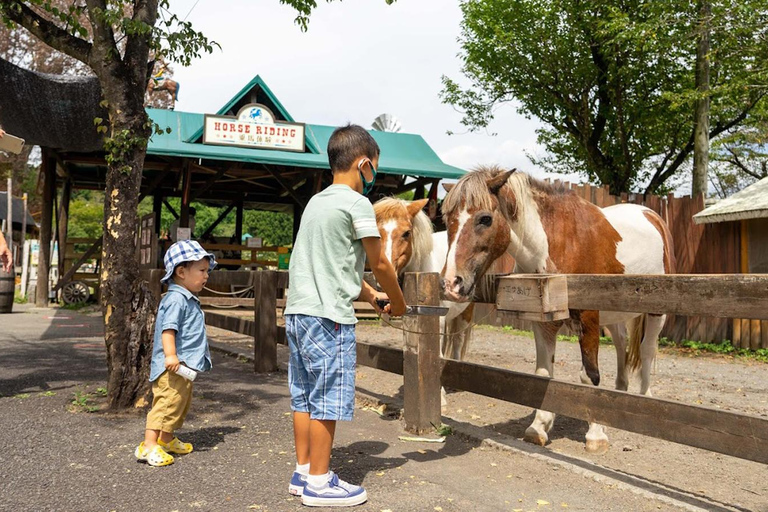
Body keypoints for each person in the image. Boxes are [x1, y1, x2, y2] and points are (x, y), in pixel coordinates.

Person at [284, 124, 406, 507]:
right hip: (329, 319)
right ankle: (320, 484)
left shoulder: (316, 203)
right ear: (364, 164)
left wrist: (370, 296)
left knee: (303, 396)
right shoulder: (357, 205)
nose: (375, 178)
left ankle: (304, 471)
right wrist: (398, 303)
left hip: (298, 314)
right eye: (376, 170)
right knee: (328, 399)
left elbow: (335, 266)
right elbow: (381, 263)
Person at [135, 239, 217, 467]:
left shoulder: (187, 299)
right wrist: (170, 355)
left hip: (185, 366)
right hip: (172, 365)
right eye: (201, 270)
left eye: (206, 271)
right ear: (181, 271)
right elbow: (168, 328)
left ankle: (167, 439)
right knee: (165, 403)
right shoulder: (175, 299)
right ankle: (149, 445)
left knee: (179, 402)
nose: (206, 275)